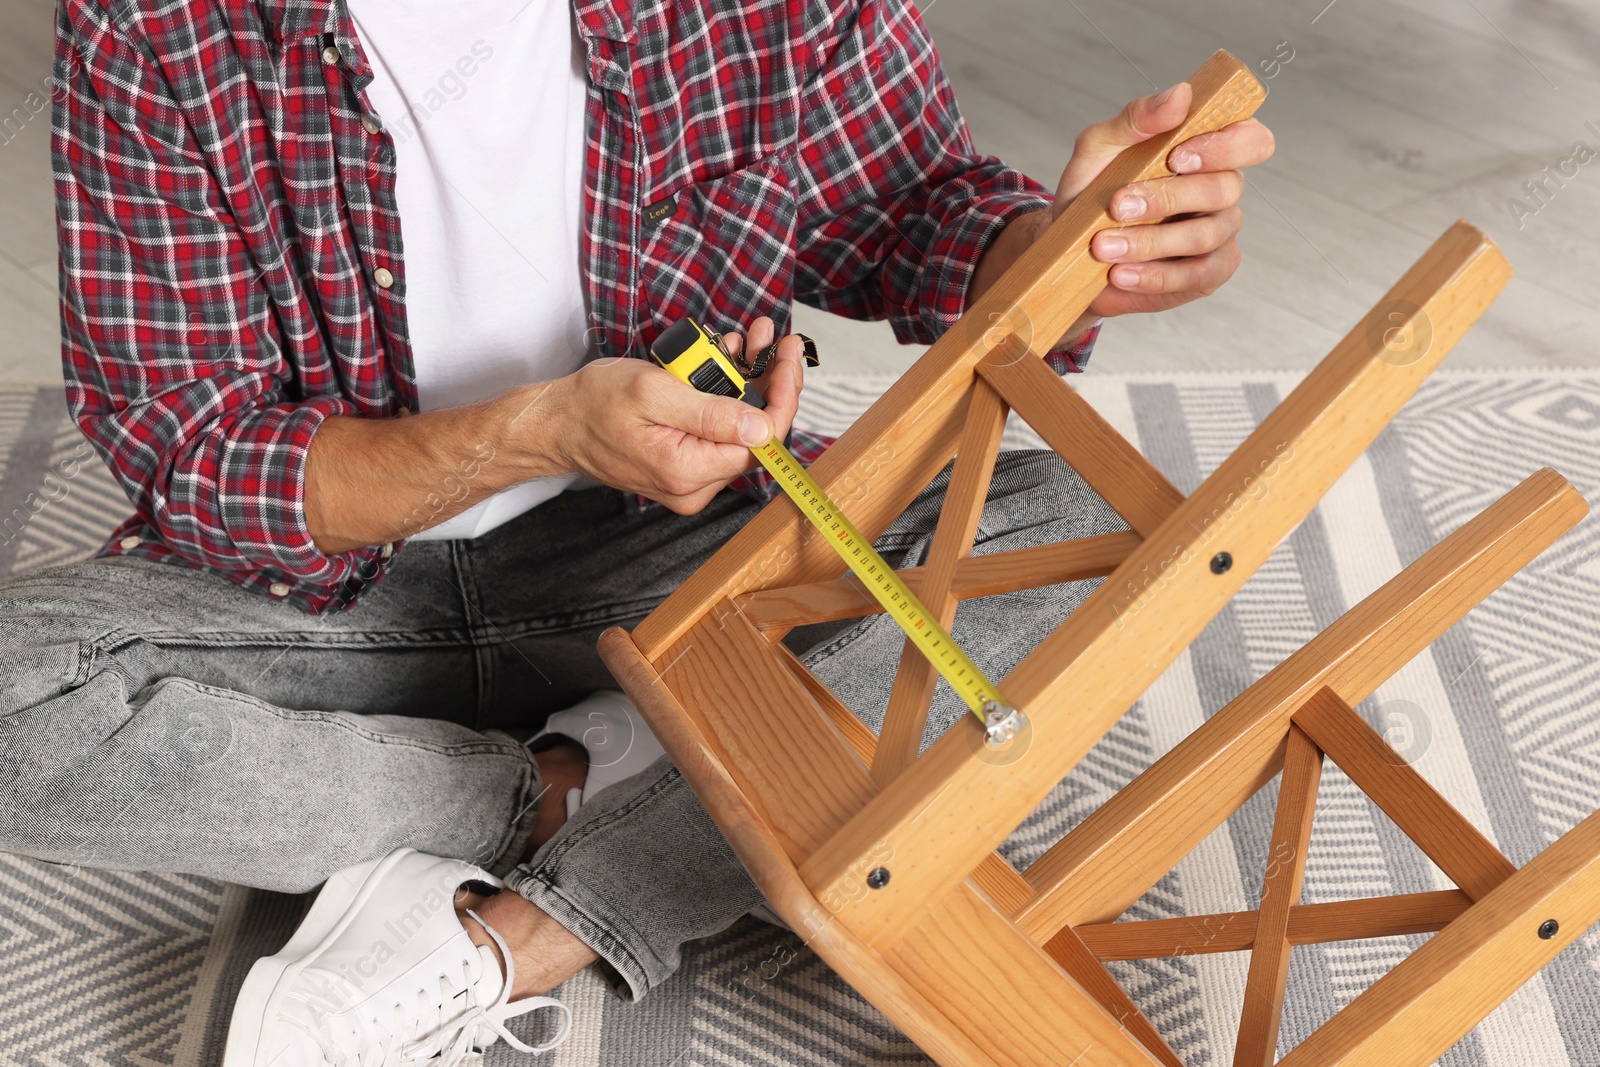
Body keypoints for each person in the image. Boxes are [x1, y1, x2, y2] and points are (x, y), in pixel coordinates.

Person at [11, 0, 1273, 1061]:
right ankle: (569, 790)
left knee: (1106, 530)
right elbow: (194, 448)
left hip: (680, 560)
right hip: (335, 591)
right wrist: (540, 430)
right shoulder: (156, 22)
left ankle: (530, 930)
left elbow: (911, 209)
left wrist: (1068, 247)